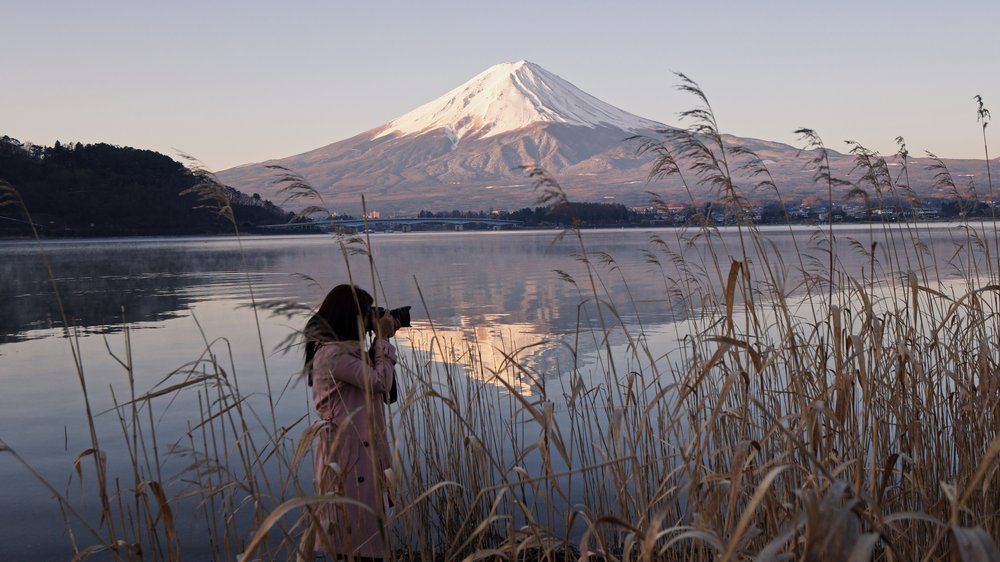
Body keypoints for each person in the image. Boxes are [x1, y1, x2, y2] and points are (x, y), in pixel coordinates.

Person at [304, 284, 400, 561]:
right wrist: (382, 340)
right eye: (368, 313)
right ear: (351, 317)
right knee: (355, 540)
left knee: (363, 540)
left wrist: (377, 345)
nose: (372, 318)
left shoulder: (346, 352)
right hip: (349, 459)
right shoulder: (333, 355)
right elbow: (379, 383)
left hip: (360, 453)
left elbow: (383, 389)